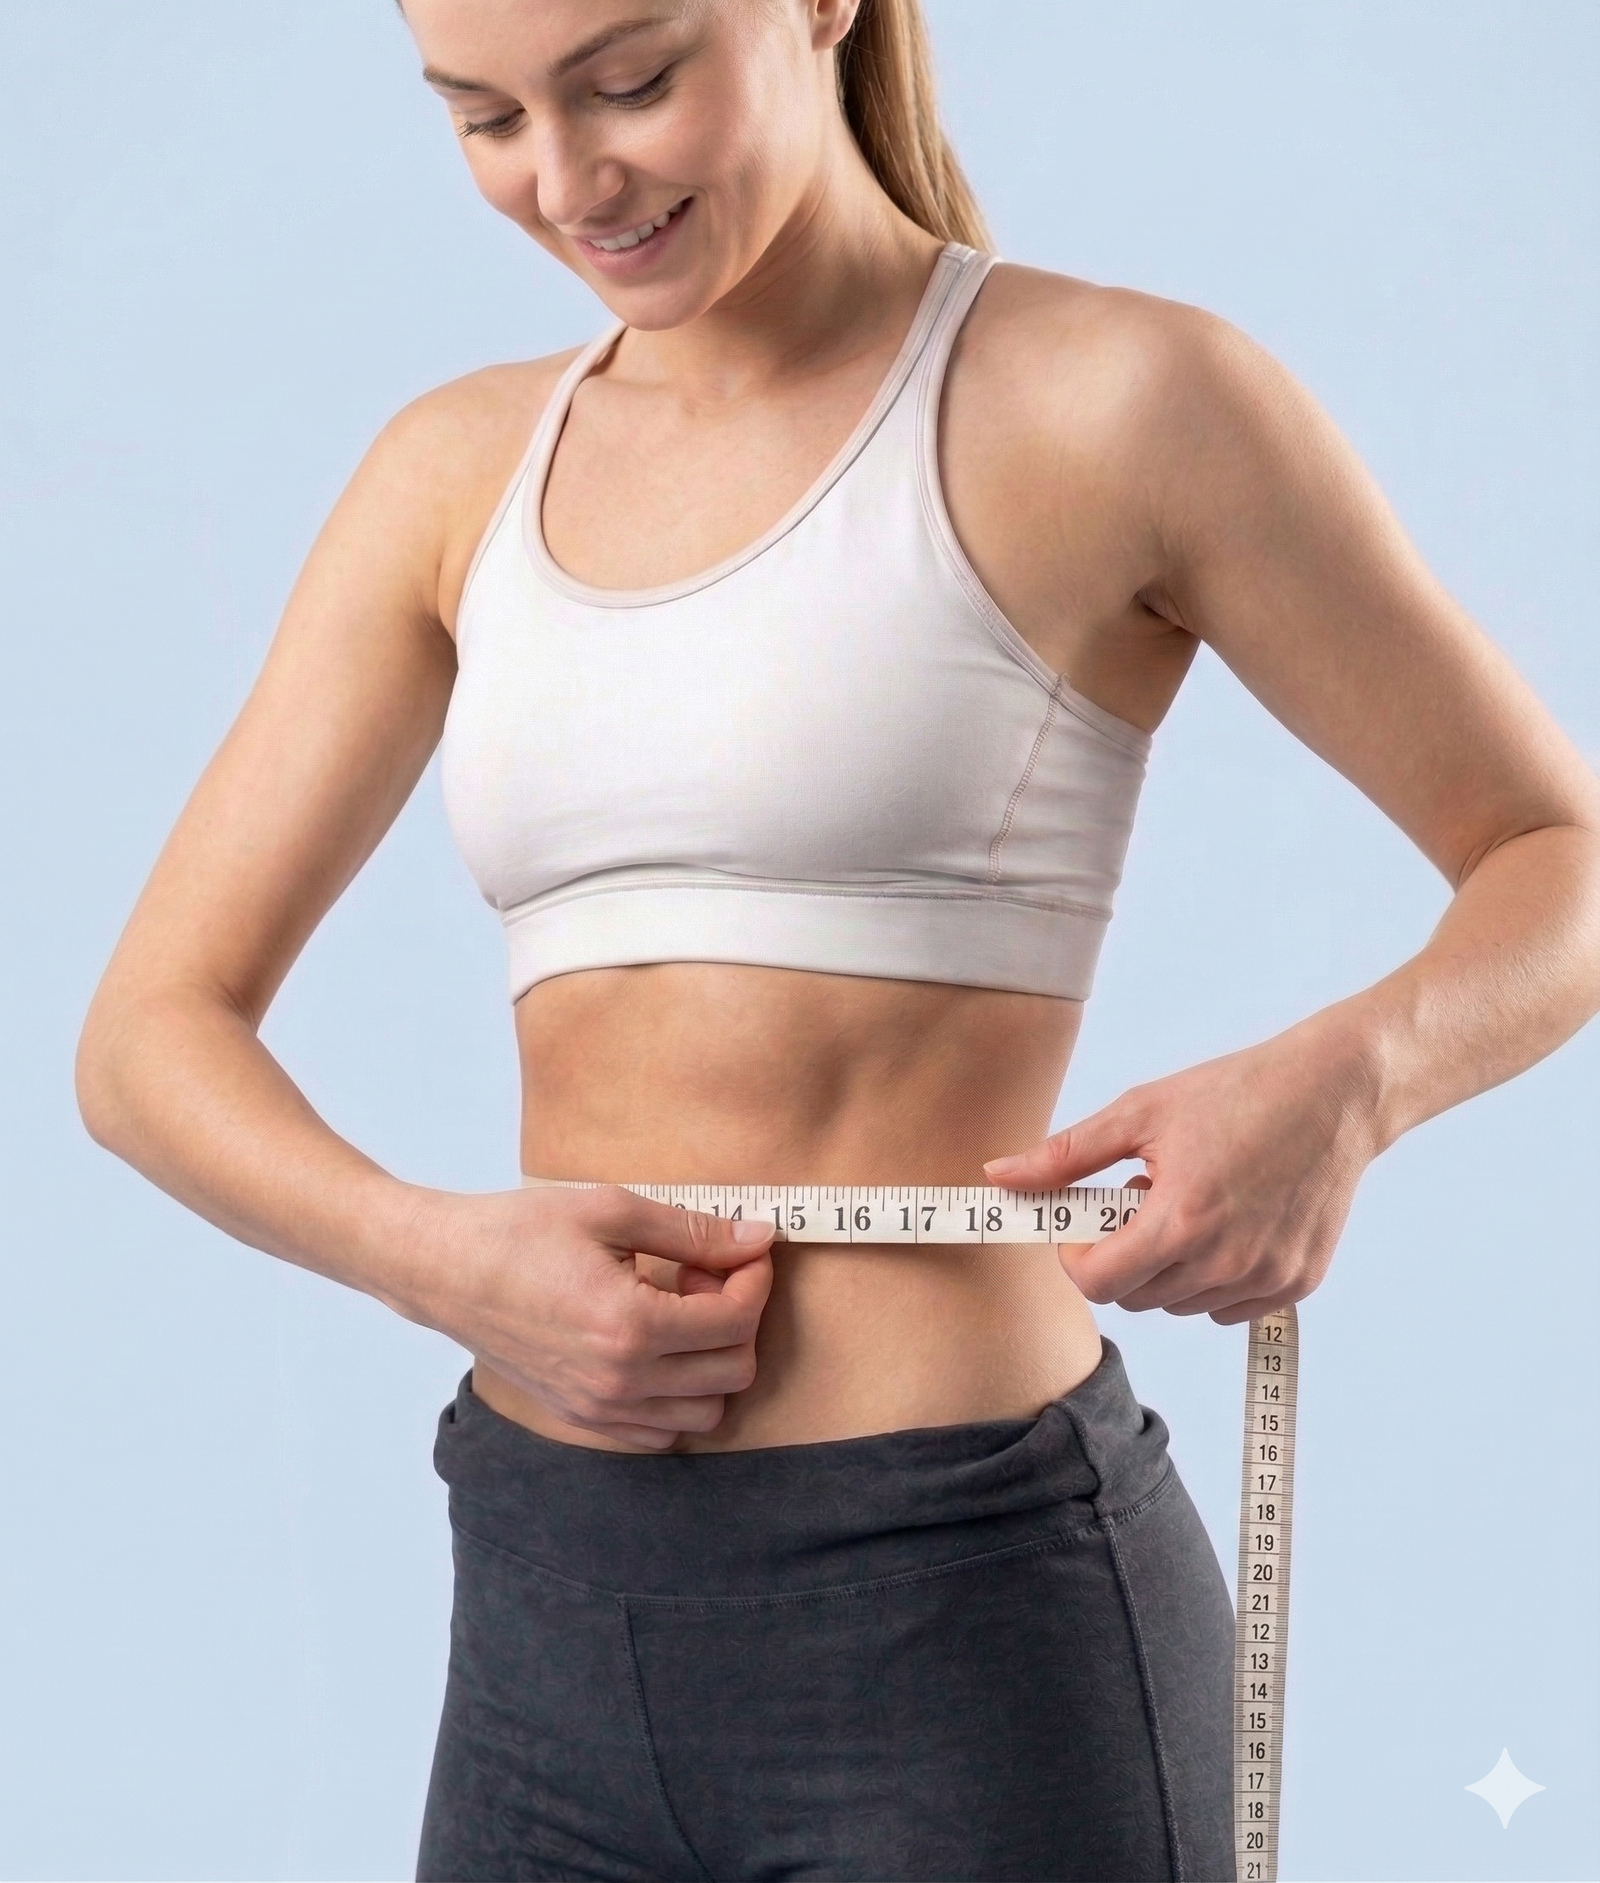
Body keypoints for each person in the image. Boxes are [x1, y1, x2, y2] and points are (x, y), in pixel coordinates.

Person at [75, 1, 1600, 1878]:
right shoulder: (451, 475)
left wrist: (1357, 1081)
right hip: (544, 1589)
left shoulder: (1120, 398)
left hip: (962, 1610)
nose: (569, 181)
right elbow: (147, 1035)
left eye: (632, 81)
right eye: (483, 117)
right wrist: (437, 1261)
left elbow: (1563, 852)